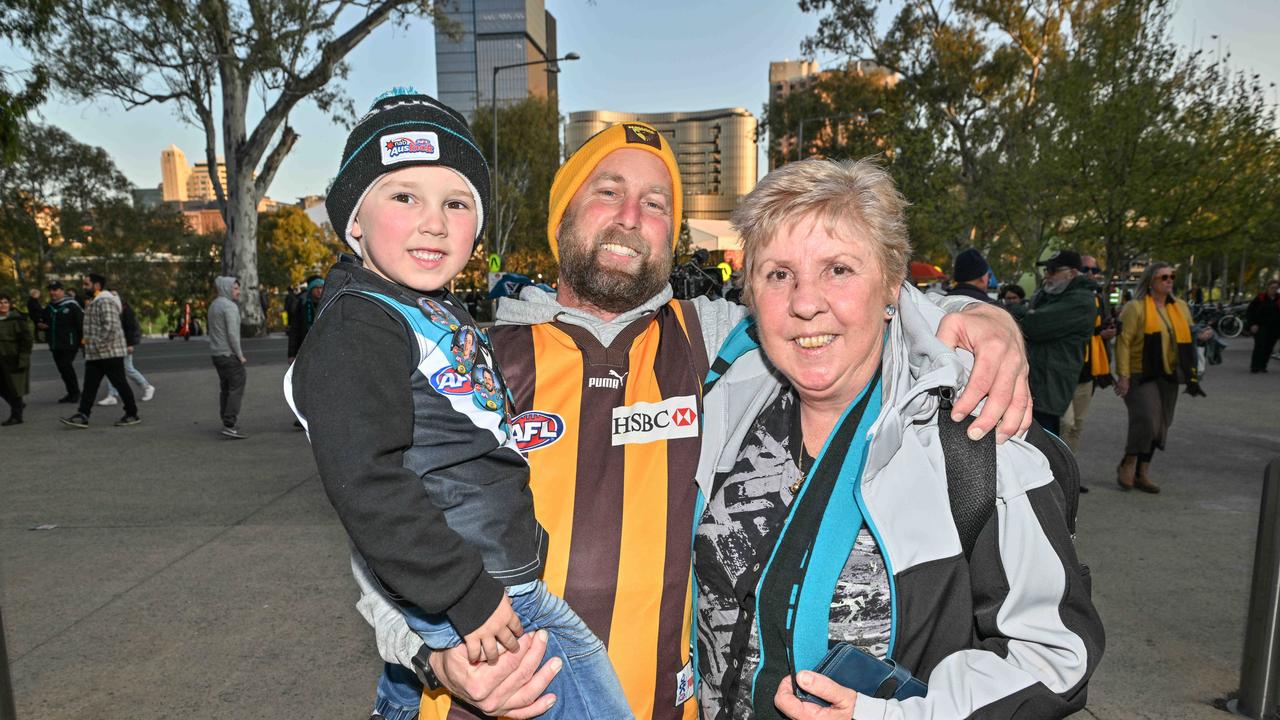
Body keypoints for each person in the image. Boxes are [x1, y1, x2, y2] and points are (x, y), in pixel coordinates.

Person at [356, 122, 1035, 720]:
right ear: (561, 217)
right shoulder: (469, 357)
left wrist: (983, 321)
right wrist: (428, 657)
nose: (630, 215)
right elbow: (382, 528)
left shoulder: (713, 340)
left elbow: (844, 293)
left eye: (655, 204)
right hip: (487, 703)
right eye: (607, 192)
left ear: (672, 235)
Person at [692, 158, 1102, 720]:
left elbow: (1056, 655)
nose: (805, 302)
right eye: (778, 273)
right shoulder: (728, 389)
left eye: (838, 269)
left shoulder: (975, 431)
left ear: (892, 287)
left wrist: (892, 716)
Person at [286, 90, 632, 720]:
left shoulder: (426, 307)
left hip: (493, 583)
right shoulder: (360, 325)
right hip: (475, 598)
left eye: (456, 202)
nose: (434, 222)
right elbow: (367, 485)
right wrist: (466, 593)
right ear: (354, 221)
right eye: (403, 196)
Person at [1113, 262, 1205, 493]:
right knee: (1147, 420)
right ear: (1150, 282)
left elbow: (1190, 334)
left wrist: (1202, 335)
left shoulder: (1181, 307)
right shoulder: (1135, 307)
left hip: (1171, 373)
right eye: (1163, 277)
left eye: (1172, 276)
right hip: (1140, 372)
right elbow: (1123, 342)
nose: (1169, 280)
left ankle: (1143, 471)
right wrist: (1123, 376)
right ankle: (1129, 461)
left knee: (1163, 424)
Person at [1007, 250, 1095, 435]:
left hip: (1050, 389)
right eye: (1047, 269)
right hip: (1035, 384)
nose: (1047, 275)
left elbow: (1033, 326)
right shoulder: (1050, 295)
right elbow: (1031, 320)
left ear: (1071, 273)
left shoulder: (1081, 301)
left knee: (1045, 449)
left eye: (1053, 270)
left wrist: (1022, 314)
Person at [59, 274, 140, 428]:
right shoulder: (96, 301)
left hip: (109, 352)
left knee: (120, 383)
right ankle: (83, 414)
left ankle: (132, 414)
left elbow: (110, 326)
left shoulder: (105, 300)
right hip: (96, 354)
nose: (84, 287)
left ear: (97, 285)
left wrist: (97, 344)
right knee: (90, 386)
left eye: (86, 284)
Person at [1059, 255, 1116, 459]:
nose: (1092, 274)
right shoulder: (1064, 295)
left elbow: (1100, 328)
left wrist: (1107, 332)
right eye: (1087, 269)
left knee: (1077, 426)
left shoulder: (1098, 298)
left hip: (1088, 370)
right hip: (1066, 371)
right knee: (1066, 424)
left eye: (1095, 270)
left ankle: (1070, 472)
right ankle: (1057, 474)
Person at [96, 293, 156, 405]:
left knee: (128, 368)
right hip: (113, 343)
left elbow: (130, 328)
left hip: (123, 344)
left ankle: (147, 387)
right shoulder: (112, 309)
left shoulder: (126, 310)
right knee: (111, 368)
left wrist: (129, 344)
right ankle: (112, 395)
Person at [209, 276, 248, 439]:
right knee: (237, 386)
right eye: (235, 288)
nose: (238, 292)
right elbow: (232, 335)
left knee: (225, 387)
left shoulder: (214, 305)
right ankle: (229, 423)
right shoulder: (229, 307)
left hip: (216, 354)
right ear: (226, 288)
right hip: (229, 354)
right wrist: (240, 355)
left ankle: (225, 420)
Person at [44, 280, 83, 403]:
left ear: (62, 291)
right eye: (50, 290)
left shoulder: (72, 305)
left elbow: (81, 324)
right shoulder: (50, 307)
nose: (52, 292)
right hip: (56, 343)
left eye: (55, 290)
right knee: (62, 369)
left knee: (65, 366)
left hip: (70, 343)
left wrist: (83, 342)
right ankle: (71, 392)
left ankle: (76, 393)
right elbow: (44, 320)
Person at [0, 293, 33, 425]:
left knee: (14, 388)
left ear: (10, 305)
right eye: (0, 302)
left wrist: (23, 359)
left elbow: (27, 340)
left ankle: (16, 416)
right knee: (2, 387)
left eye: (5, 302)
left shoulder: (17, 320)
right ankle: (18, 405)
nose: (3, 305)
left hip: (13, 358)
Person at [287, 276, 324, 361]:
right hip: (305, 347)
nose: (319, 291)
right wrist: (292, 354)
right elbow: (295, 330)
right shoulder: (302, 305)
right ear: (311, 289)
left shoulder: (329, 303)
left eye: (321, 288)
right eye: (316, 288)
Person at [1246, 279, 1279, 373]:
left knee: (1269, 347)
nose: (1274, 290)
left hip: (1275, 328)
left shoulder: (1278, 299)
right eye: (1272, 288)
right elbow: (1250, 311)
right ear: (1268, 288)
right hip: (1260, 326)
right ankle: (1255, 366)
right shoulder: (1261, 298)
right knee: (1260, 345)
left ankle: (1263, 366)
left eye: (1276, 288)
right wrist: (1252, 324)